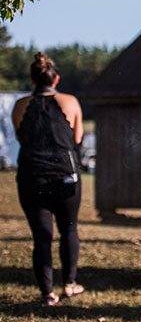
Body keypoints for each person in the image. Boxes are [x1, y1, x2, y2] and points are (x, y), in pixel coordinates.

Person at [12, 52, 85, 306]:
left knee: (41, 237)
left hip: (32, 177)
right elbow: (77, 139)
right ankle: (69, 283)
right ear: (56, 79)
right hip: (65, 177)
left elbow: (21, 137)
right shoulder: (70, 102)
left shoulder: (20, 106)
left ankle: (47, 293)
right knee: (69, 229)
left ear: (33, 79)